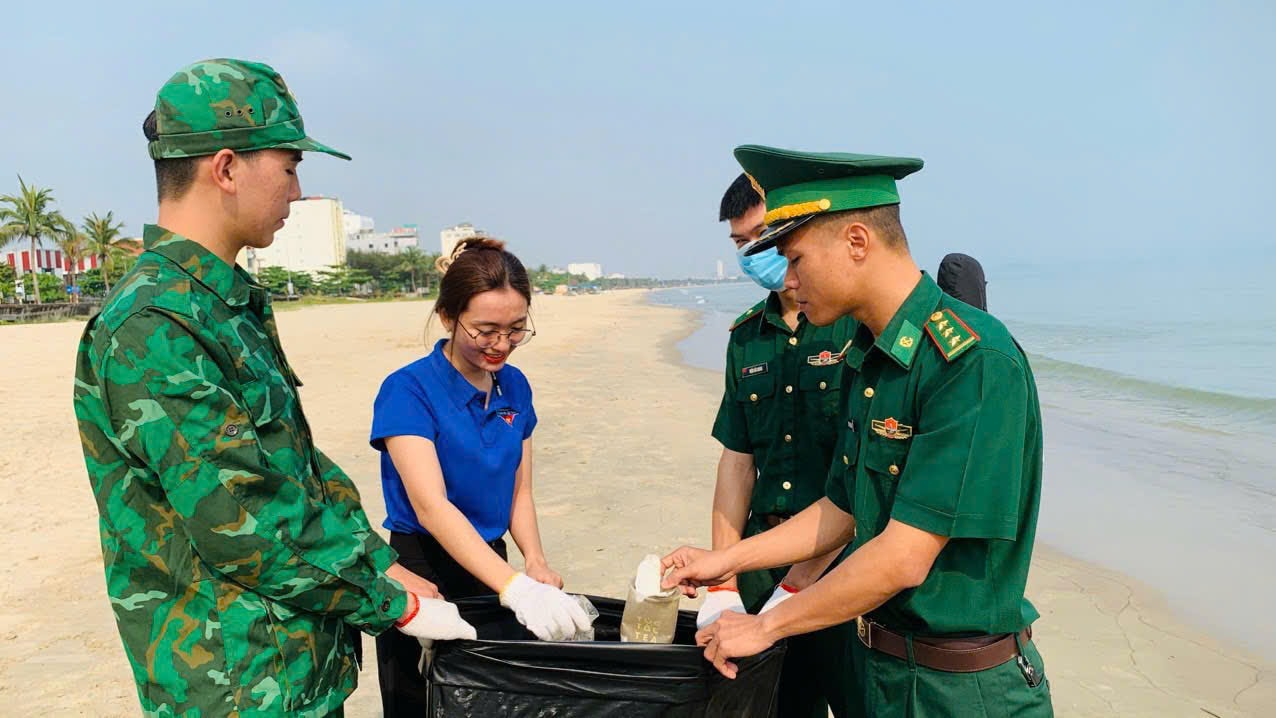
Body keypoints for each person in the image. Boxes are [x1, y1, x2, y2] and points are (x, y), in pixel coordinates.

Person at [72, 58, 473, 717]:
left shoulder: (221, 306)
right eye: (288, 167)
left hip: (295, 671)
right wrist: (390, 603)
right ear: (226, 168)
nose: (296, 192)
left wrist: (377, 561)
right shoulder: (154, 326)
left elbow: (297, 472)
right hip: (236, 687)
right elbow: (242, 515)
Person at [663, 145, 1053, 717]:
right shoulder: (871, 358)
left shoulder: (969, 361)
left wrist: (766, 625)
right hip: (886, 673)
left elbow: (902, 557)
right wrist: (729, 560)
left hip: (960, 690)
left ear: (856, 241)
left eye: (797, 259)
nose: (789, 280)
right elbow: (841, 509)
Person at [372, 237, 590, 717]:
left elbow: (520, 490)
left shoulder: (515, 385)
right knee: (420, 700)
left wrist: (533, 561)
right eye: (485, 330)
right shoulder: (408, 390)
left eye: (516, 330)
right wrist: (514, 587)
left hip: (492, 564)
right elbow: (432, 506)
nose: (501, 345)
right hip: (421, 568)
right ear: (449, 317)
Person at [699, 173, 859, 717]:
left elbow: (864, 484)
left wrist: (797, 589)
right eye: (741, 245)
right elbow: (737, 462)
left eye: (763, 236)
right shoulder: (747, 336)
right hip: (762, 559)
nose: (755, 254)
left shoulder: (854, 328)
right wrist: (723, 577)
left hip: (847, 565)